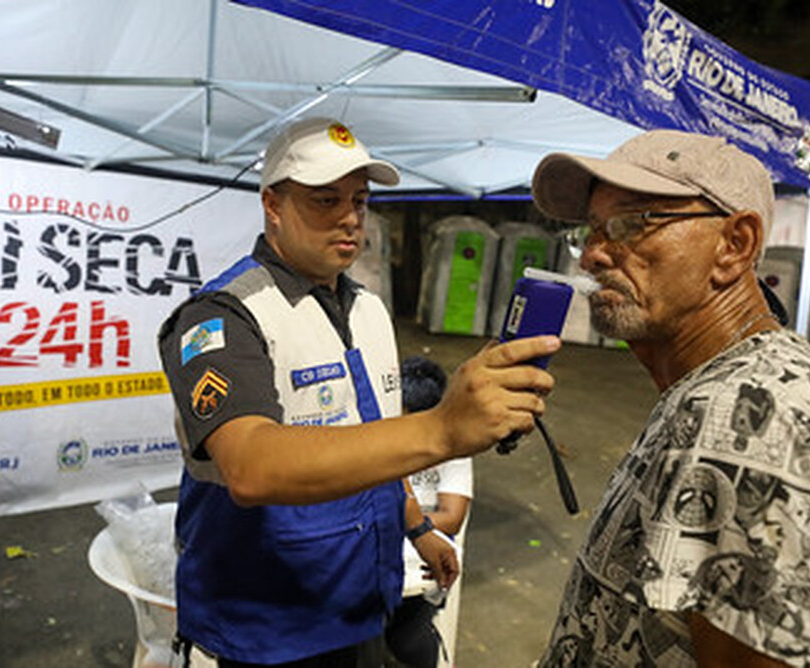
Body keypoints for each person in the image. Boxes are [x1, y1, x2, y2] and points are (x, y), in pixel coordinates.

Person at [157, 117, 560, 667]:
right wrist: (443, 427)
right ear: (272, 204)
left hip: (363, 598)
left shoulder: (366, 308)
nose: (350, 218)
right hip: (270, 624)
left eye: (360, 200)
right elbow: (251, 467)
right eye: (325, 200)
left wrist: (418, 529)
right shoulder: (221, 317)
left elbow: (374, 440)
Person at [530, 129, 810, 667]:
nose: (591, 256)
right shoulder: (714, 389)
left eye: (633, 224)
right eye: (589, 231)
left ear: (735, 245)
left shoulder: (754, 420)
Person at [385, 356, 473, 668]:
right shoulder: (381, 436)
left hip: (422, 560)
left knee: (408, 639)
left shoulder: (453, 447)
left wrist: (401, 522)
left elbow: (452, 516)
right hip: (389, 552)